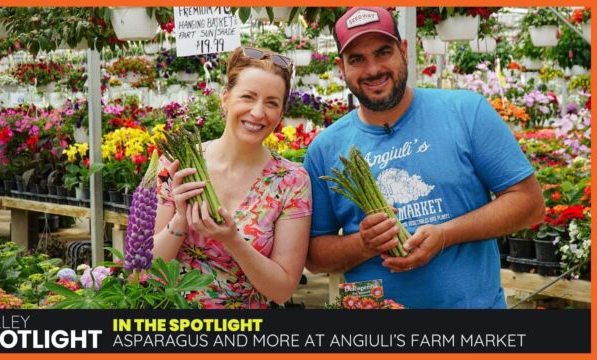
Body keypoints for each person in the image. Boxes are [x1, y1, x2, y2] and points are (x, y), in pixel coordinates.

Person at [303, 7, 545, 308]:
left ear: (404, 51)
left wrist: (445, 235)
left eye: (383, 52)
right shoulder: (325, 148)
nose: (373, 69)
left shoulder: (466, 112)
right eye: (357, 59)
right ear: (341, 68)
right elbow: (314, 256)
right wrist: (364, 244)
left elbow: (530, 204)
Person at [152, 47, 312, 309]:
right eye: (248, 97)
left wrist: (233, 241)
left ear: (281, 114)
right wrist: (180, 219)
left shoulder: (291, 181)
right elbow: (144, 269)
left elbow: (282, 290)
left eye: (271, 103)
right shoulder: (176, 164)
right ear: (225, 98)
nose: (258, 113)